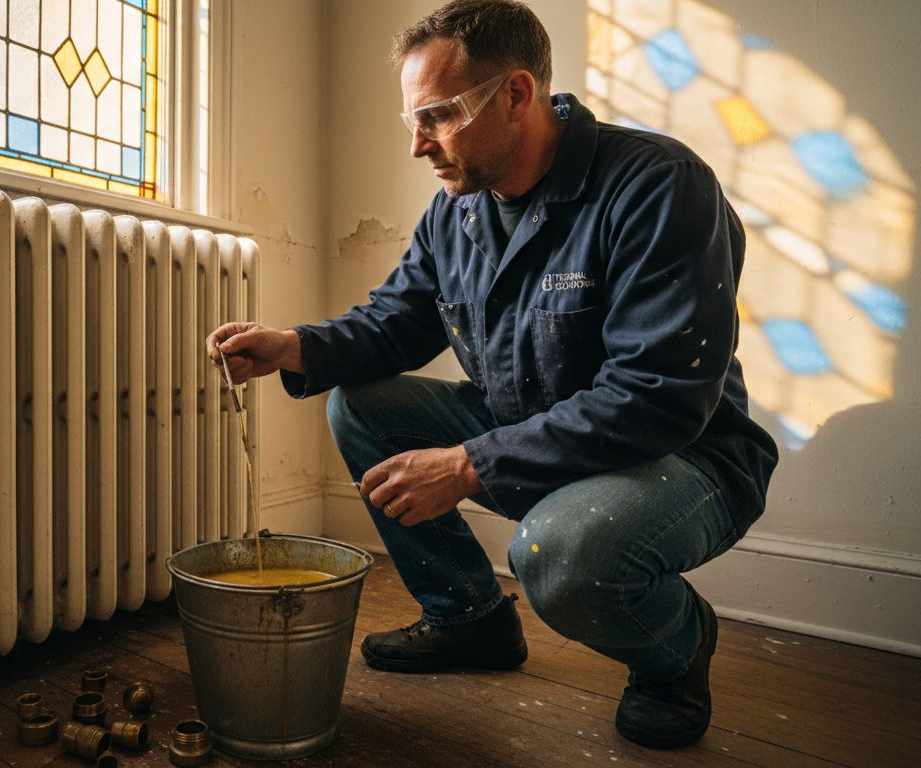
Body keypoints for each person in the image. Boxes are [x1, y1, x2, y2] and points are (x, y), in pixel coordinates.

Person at [206, 0, 779, 751]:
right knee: (364, 407)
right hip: (534, 436)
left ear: (516, 94)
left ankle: (674, 652)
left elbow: (656, 397)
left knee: (562, 554)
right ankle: (468, 619)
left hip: (684, 456)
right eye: (414, 121)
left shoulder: (659, 186)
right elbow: (394, 323)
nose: (419, 146)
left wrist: (472, 462)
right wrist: (293, 346)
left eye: (438, 116)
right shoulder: (459, 212)